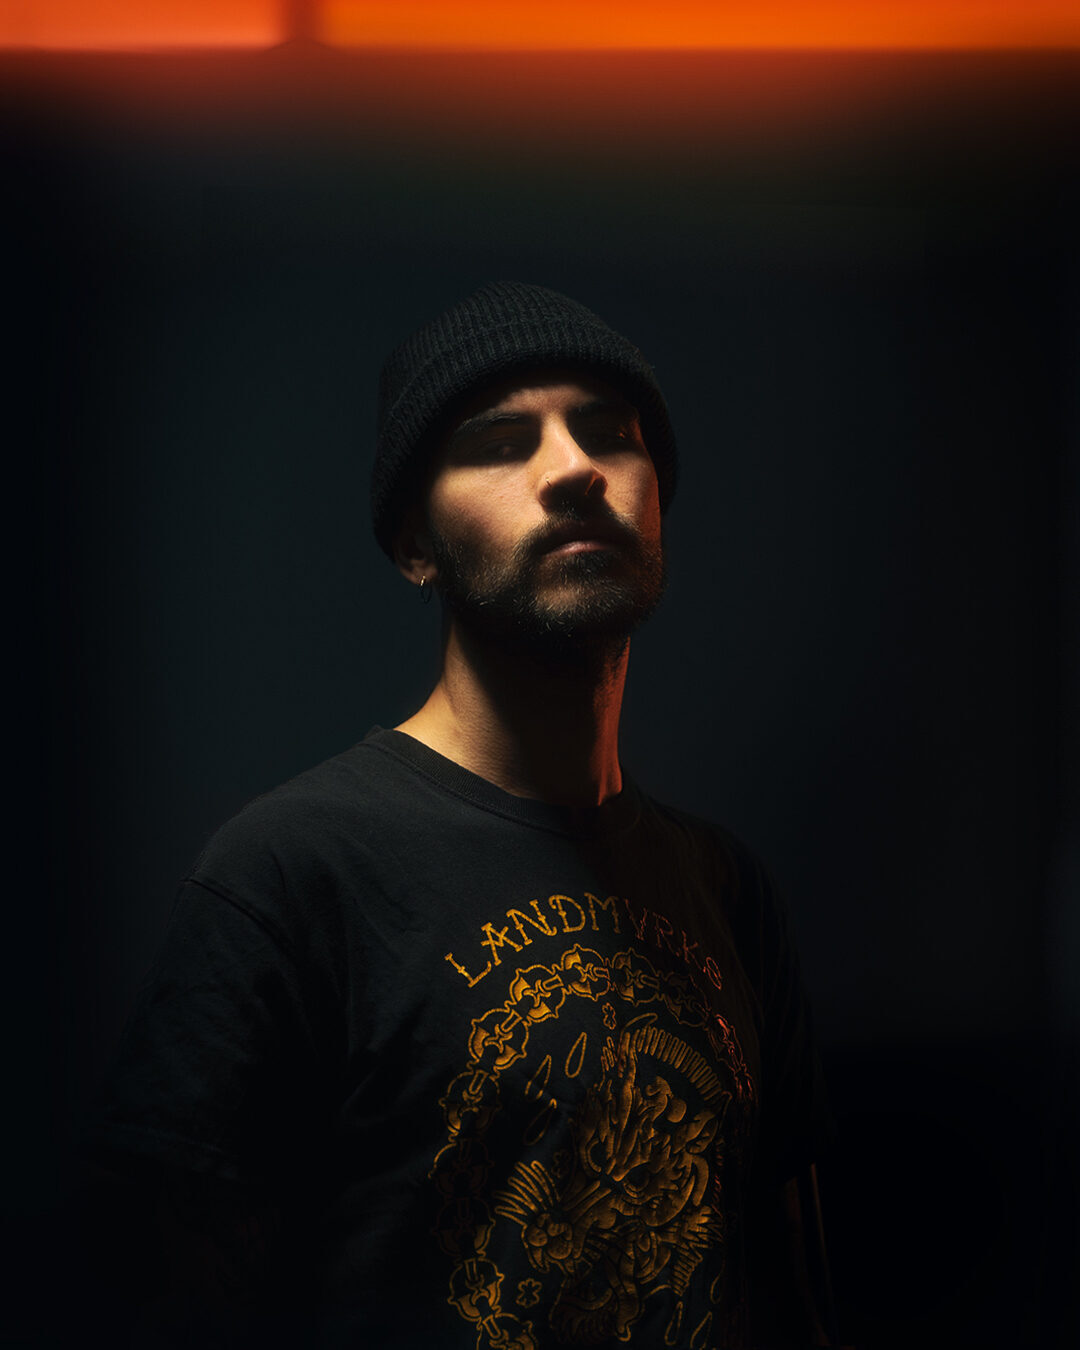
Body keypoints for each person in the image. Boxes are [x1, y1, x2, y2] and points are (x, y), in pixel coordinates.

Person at [89, 282, 836, 1348]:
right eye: (499, 443)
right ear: (415, 545)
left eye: (609, 434)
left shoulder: (728, 891)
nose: (574, 469)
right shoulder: (292, 873)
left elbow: (796, 1300)